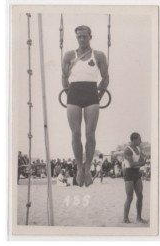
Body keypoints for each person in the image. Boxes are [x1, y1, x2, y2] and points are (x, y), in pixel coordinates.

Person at [62, 25, 109, 187]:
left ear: (90, 36)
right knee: (75, 133)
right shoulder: (69, 55)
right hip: (74, 93)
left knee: (90, 133)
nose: (81, 39)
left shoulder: (99, 55)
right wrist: (70, 96)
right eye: (79, 37)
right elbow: (64, 78)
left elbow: (105, 78)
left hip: (91, 94)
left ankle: (87, 167)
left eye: (84, 36)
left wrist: (99, 96)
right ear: (76, 37)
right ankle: (79, 168)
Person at [122, 132, 149, 224]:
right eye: (139, 139)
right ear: (134, 140)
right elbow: (132, 164)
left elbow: (142, 159)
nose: (141, 141)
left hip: (136, 173)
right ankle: (125, 218)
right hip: (129, 173)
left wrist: (143, 161)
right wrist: (142, 163)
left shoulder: (138, 148)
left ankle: (139, 218)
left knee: (140, 196)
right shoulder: (127, 150)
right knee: (129, 197)